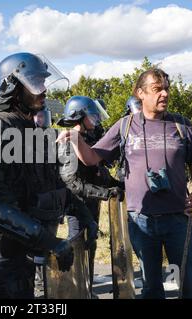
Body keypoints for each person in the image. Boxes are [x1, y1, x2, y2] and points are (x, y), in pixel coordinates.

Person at [57, 68, 192, 299]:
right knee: (150, 287)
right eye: (157, 89)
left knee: (190, 286)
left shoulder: (182, 125)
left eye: (166, 88)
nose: (164, 94)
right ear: (141, 93)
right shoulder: (124, 126)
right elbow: (91, 158)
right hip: (141, 221)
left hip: (179, 218)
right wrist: (77, 139)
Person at [0, 52, 97, 299]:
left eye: (43, 81)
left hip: (31, 248)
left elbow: (55, 184)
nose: (44, 89)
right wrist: (49, 242)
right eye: (36, 82)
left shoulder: (32, 131)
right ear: (13, 86)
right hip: (3, 255)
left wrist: (85, 216)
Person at [57, 96, 121, 293]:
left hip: (92, 203)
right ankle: (74, 292)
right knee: (77, 247)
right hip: (76, 206)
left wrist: (119, 185)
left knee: (90, 246)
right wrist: (105, 193)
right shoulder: (69, 142)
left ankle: (87, 290)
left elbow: (100, 173)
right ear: (79, 117)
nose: (96, 121)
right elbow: (72, 183)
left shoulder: (90, 139)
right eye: (92, 117)